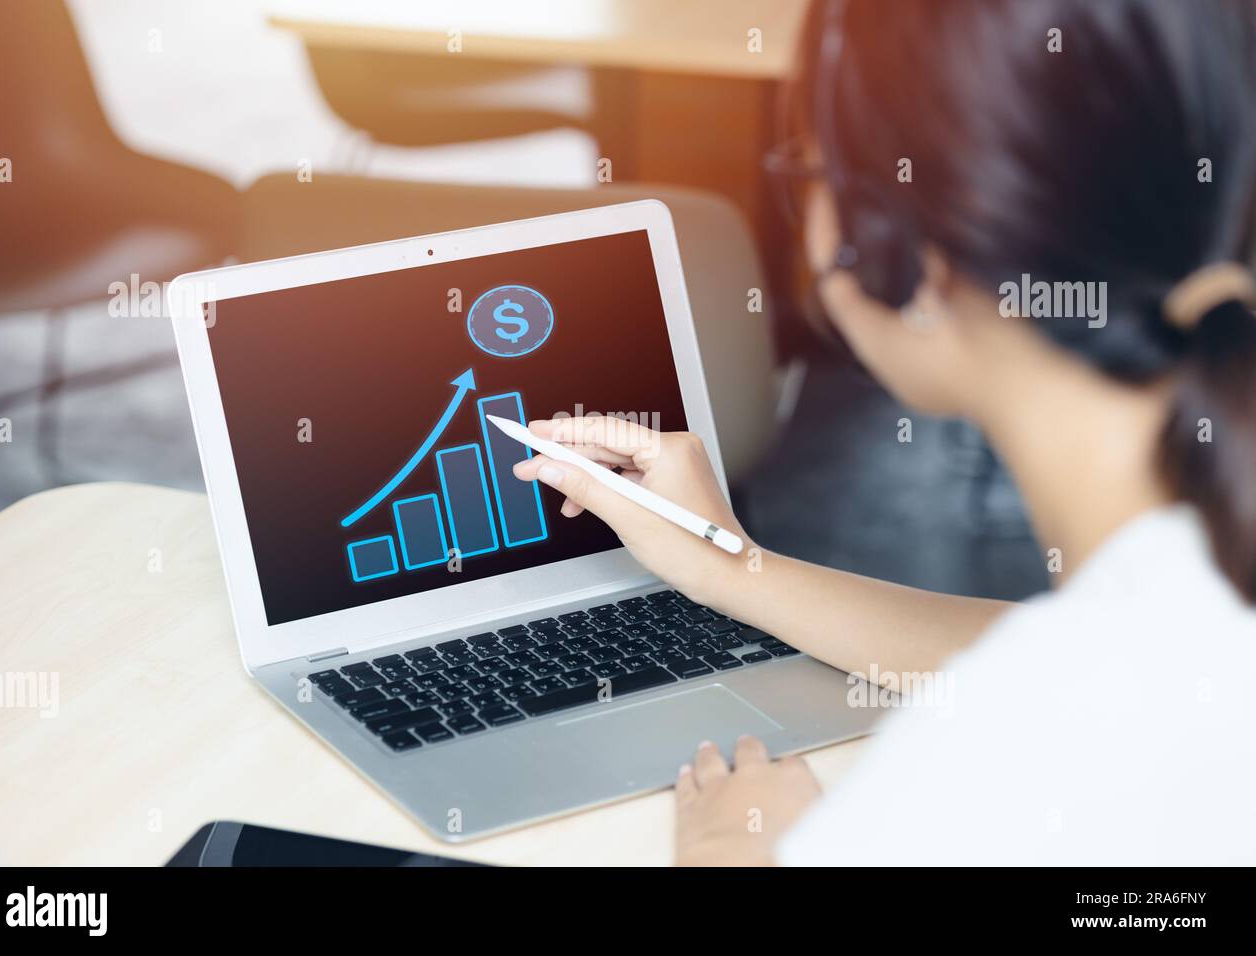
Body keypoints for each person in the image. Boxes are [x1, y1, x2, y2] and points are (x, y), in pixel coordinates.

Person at [512, 0, 1256, 865]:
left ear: (899, 251)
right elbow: (1061, 657)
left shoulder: (983, 778)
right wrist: (731, 565)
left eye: (809, 174)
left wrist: (735, 851)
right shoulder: (1166, 624)